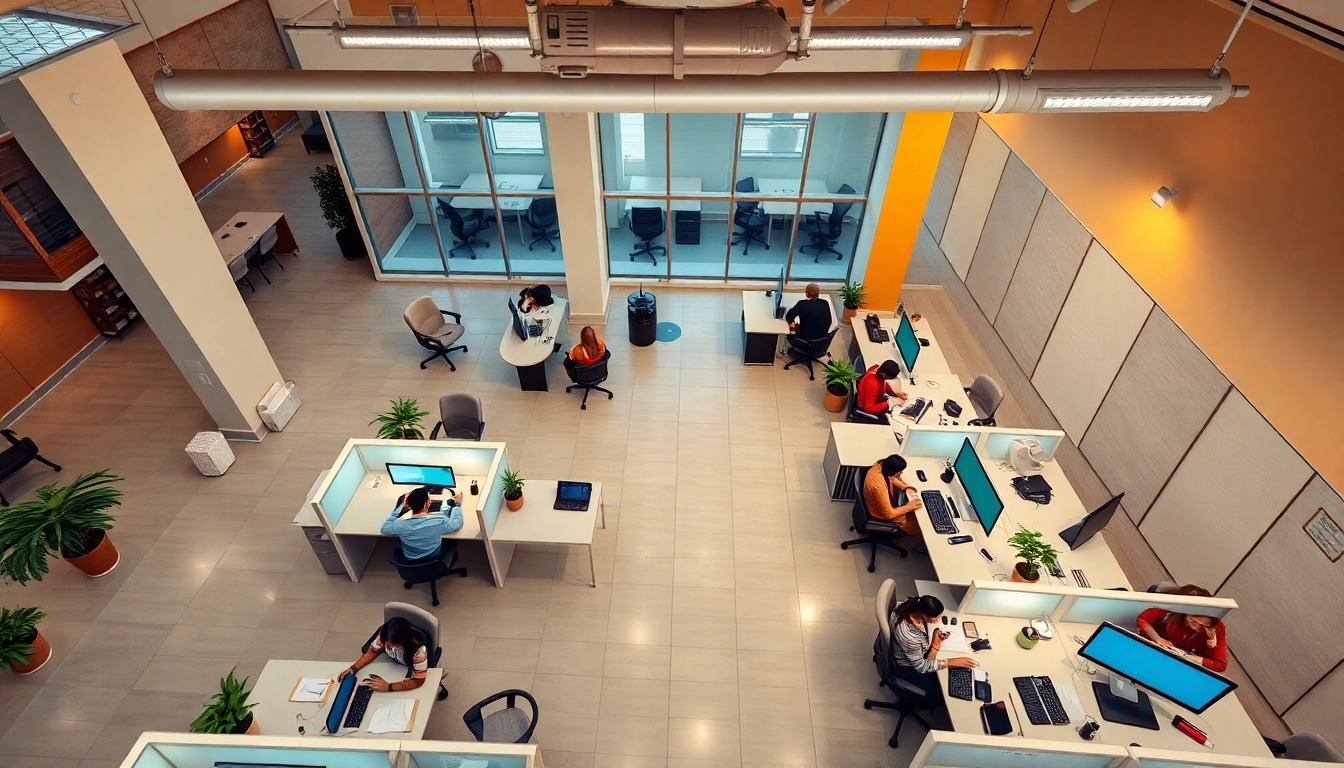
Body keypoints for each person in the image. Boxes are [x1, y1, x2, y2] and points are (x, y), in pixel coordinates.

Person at [889, 595, 979, 707]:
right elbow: (921, 667)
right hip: (908, 667)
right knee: (944, 690)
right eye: (935, 618)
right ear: (924, 614)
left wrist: (935, 644)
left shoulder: (910, 606)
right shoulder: (910, 636)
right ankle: (925, 704)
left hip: (913, 654)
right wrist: (952, 662)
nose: (937, 620)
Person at [1135, 586, 1228, 672]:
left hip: (1175, 662)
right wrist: (1157, 638)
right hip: (1155, 650)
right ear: (1186, 614)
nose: (1198, 628)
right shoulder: (1172, 611)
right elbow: (1143, 619)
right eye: (1194, 622)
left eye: (1205, 626)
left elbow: (1220, 665)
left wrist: (1186, 656)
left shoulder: (1217, 628)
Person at [338, 616, 428, 692]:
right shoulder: (385, 635)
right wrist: (353, 669)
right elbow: (373, 651)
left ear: (402, 641)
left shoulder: (418, 650)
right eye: (386, 642)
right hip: (394, 667)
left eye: (392, 645)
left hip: (410, 669)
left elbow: (419, 680)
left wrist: (389, 687)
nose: (386, 646)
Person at [379, 486, 463, 564]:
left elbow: (384, 529)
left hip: (410, 560)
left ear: (408, 504)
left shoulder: (399, 524)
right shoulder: (438, 522)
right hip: (433, 559)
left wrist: (398, 510)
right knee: (451, 542)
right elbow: (457, 523)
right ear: (427, 504)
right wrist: (457, 505)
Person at [863, 454, 923, 546]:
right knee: (921, 527)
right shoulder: (879, 486)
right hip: (880, 515)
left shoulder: (880, 465)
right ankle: (908, 544)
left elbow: (891, 478)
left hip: (879, 504)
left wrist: (903, 486)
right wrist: (911, 506)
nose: (900, 474)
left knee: (916, 514)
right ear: (892, 472)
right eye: (899, 473)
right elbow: (889, 514)